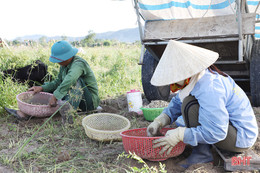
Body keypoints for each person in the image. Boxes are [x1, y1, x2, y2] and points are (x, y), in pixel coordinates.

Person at [147, 40, 258, 170]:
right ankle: (202, 148)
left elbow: (216, 132)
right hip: (229, 126)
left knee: (190, 106)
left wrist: (180, 134)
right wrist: (161, 120)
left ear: (186, 72)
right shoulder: (197, 78)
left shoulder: (210, 87)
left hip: (240, 138)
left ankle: (202, 154)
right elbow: (177, 102)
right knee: (187, 103)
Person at [5, 40, 100, 123]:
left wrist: (56, 96)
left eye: (59, 60)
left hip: (88, 102)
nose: (57, 62)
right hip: (73, 98)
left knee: (74, 81)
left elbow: (70, 80)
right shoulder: (64, 66)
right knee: (49, 90)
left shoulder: (78, 64)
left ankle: (69, 114)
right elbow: (58, 82)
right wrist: (42, 88)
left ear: (67, 57)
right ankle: (26, 113)